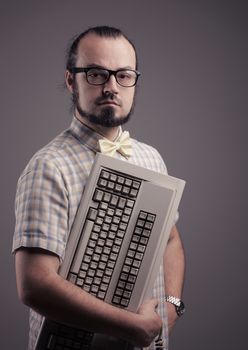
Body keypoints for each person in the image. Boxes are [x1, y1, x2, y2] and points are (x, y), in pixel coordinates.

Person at [13, 26, 185, 350]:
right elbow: (35, 285)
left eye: (123, 75)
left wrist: (171, 307)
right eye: (96, 74)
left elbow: (171, 239)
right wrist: (132, 326)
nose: (111, 87)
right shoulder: (48, 167)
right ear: (70, 81)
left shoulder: (151, 157)